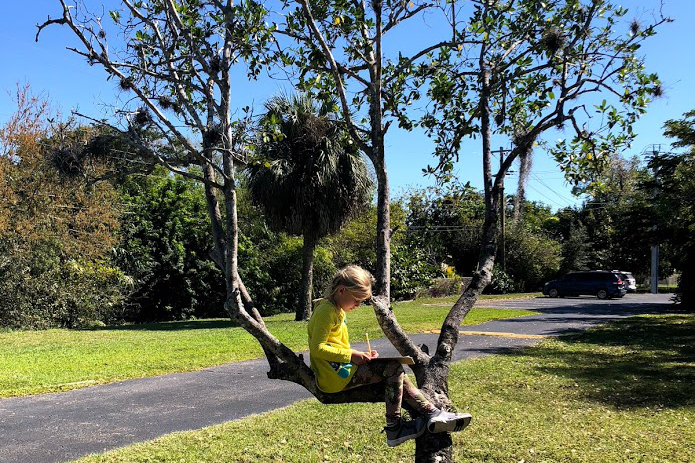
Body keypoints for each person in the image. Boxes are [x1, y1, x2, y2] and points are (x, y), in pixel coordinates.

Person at [307, 265, 472, 447]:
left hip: (339, 370)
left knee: (396, 370)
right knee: (393, 368)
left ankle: (432, 412)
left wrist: (361, 355)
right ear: (341, 290)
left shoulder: (336, 309)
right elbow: (317, 348)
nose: (358, 305)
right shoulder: (326, 311)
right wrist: (351, 355)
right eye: (356, 300)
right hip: (333, 377)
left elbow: (334, 345)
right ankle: (396, 428)